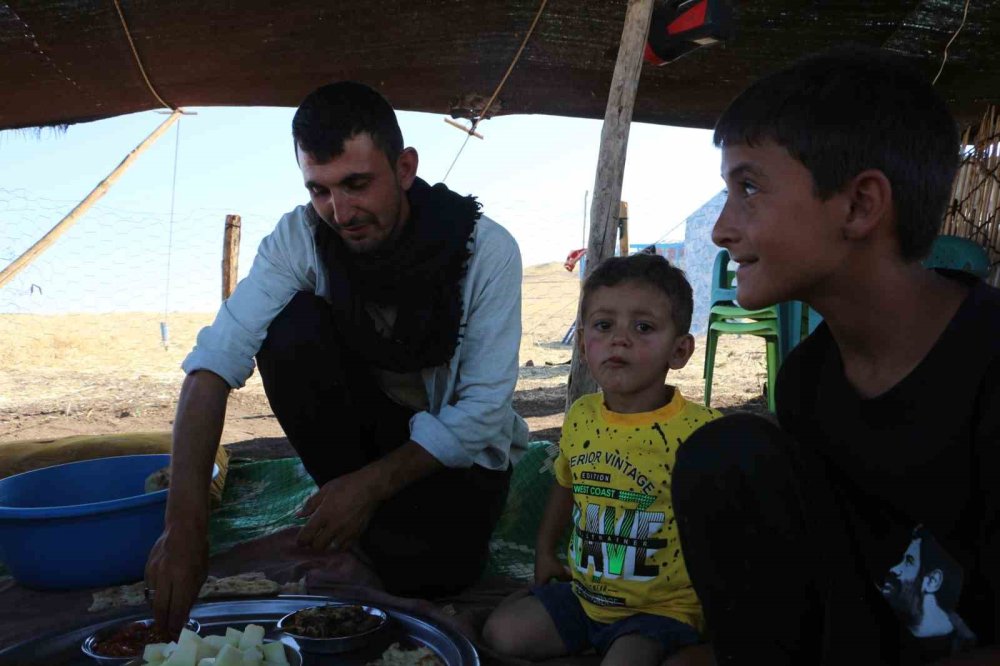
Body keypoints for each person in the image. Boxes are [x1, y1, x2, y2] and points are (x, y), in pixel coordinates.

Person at [145, 81, 528, 632]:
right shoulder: (298, 239)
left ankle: (366, 519)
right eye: (320, 191)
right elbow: (212, 366)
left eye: (356, 184)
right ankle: (356, 515)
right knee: (290, 329)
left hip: (456, 460)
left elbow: (481, 412)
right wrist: (183, 529)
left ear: (404, 168)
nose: (340, 212)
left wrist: (368, 488)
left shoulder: (487, 251)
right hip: (360, 437)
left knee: (440, 575)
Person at [671, 47, 999, 665]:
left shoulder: (989, 366)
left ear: (859, 206)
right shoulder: (809, 381)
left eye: (748, 187)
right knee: (725, 459)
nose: (721, 229)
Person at [483, 253, 720, 665]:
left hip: (658, 611)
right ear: (582, 342)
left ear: (679, 350)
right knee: (500, 634)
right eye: (603, 325)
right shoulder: (581, 416)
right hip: (584, 597)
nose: (619, 339)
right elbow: (566, 486)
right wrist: (544, 550)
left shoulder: (699, 433)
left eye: (643, 327)